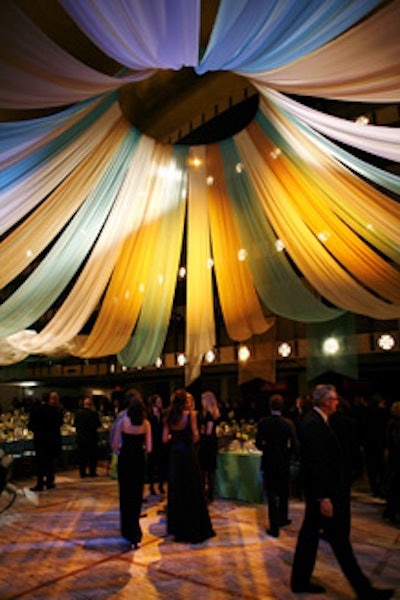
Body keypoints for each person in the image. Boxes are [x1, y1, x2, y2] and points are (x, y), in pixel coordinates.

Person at [291, 384, 394, 599]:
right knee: (338, 541)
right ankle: (364, 590)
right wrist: (324, 498)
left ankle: (299, 581)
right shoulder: (313, 423)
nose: (338, 402)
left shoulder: (318, 420)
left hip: (321, 493)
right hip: (323, 494)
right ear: (326, 401)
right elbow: (316, 463)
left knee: (310, 537)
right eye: (335, 399)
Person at [163, 389, 215, 543]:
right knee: (192, 489)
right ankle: (194, 527)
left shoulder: (168, 416)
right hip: (188, 454)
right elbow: (196, 436)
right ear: (183, 402)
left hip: (175, 454)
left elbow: (165, 439)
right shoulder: (190, 415)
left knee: (177, 490)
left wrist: (175, 435)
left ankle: (178, 527)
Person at [111, 389, 152, 548]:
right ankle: (135, 531)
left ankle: (127, 530)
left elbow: (115, 445)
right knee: (136, 496)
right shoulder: (146, 423)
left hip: (125, 460)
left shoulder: (122, 422)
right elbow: (149, 448)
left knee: (125, 495)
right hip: (139, 461)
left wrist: (122, 448)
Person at [256, 394, 299, 538]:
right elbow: (294, 445)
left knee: (272, 494)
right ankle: (283, 518)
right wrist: (288, 454)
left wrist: (266, 449)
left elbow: (258, 443)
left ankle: (274, 527)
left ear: (270, 406)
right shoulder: (288, 423)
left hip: (269, 461)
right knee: (284, 492)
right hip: (284, 461)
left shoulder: (263, 422)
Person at [28, 391, 63, 491]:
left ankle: (40, 483)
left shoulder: (35, 410)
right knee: (50, 462)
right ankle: (49, 482)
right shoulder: (54, 411)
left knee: (40, 463)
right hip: (51, 440)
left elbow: (30, 426)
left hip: (40, 440)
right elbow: (59, 424)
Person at [198, 390, 220, 503]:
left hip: (207, 444)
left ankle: (208, 494)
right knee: (210, 470)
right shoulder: (210, 414)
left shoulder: (209, 415)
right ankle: (209, 493)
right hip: (211, 443)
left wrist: (199, 432)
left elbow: (208, 432)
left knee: (206, 469)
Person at [74, 396, 102, 478]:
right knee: (92, 456)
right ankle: (92, 472)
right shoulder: (94, 414)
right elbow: (99, 424)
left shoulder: (78, 413)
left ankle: (82, 473)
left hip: (81, 438)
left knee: (82, 456)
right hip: (91, 438)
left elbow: (74, 424)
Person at [383, 401, 400, 525]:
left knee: (393, 483)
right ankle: (393, 510)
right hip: (397, 457)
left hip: (393, 457)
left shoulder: (391, 423)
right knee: (395, 484)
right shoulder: (396, 425)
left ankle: (390, 509)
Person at [147, 394, 166, 497]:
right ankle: (151, 486)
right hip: (152, 441)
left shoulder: (162, 413)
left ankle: (161, 485)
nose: (160, 403)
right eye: (158, 401)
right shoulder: (149, 414)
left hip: (161, 442)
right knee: (151, 465)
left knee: (161, 465)